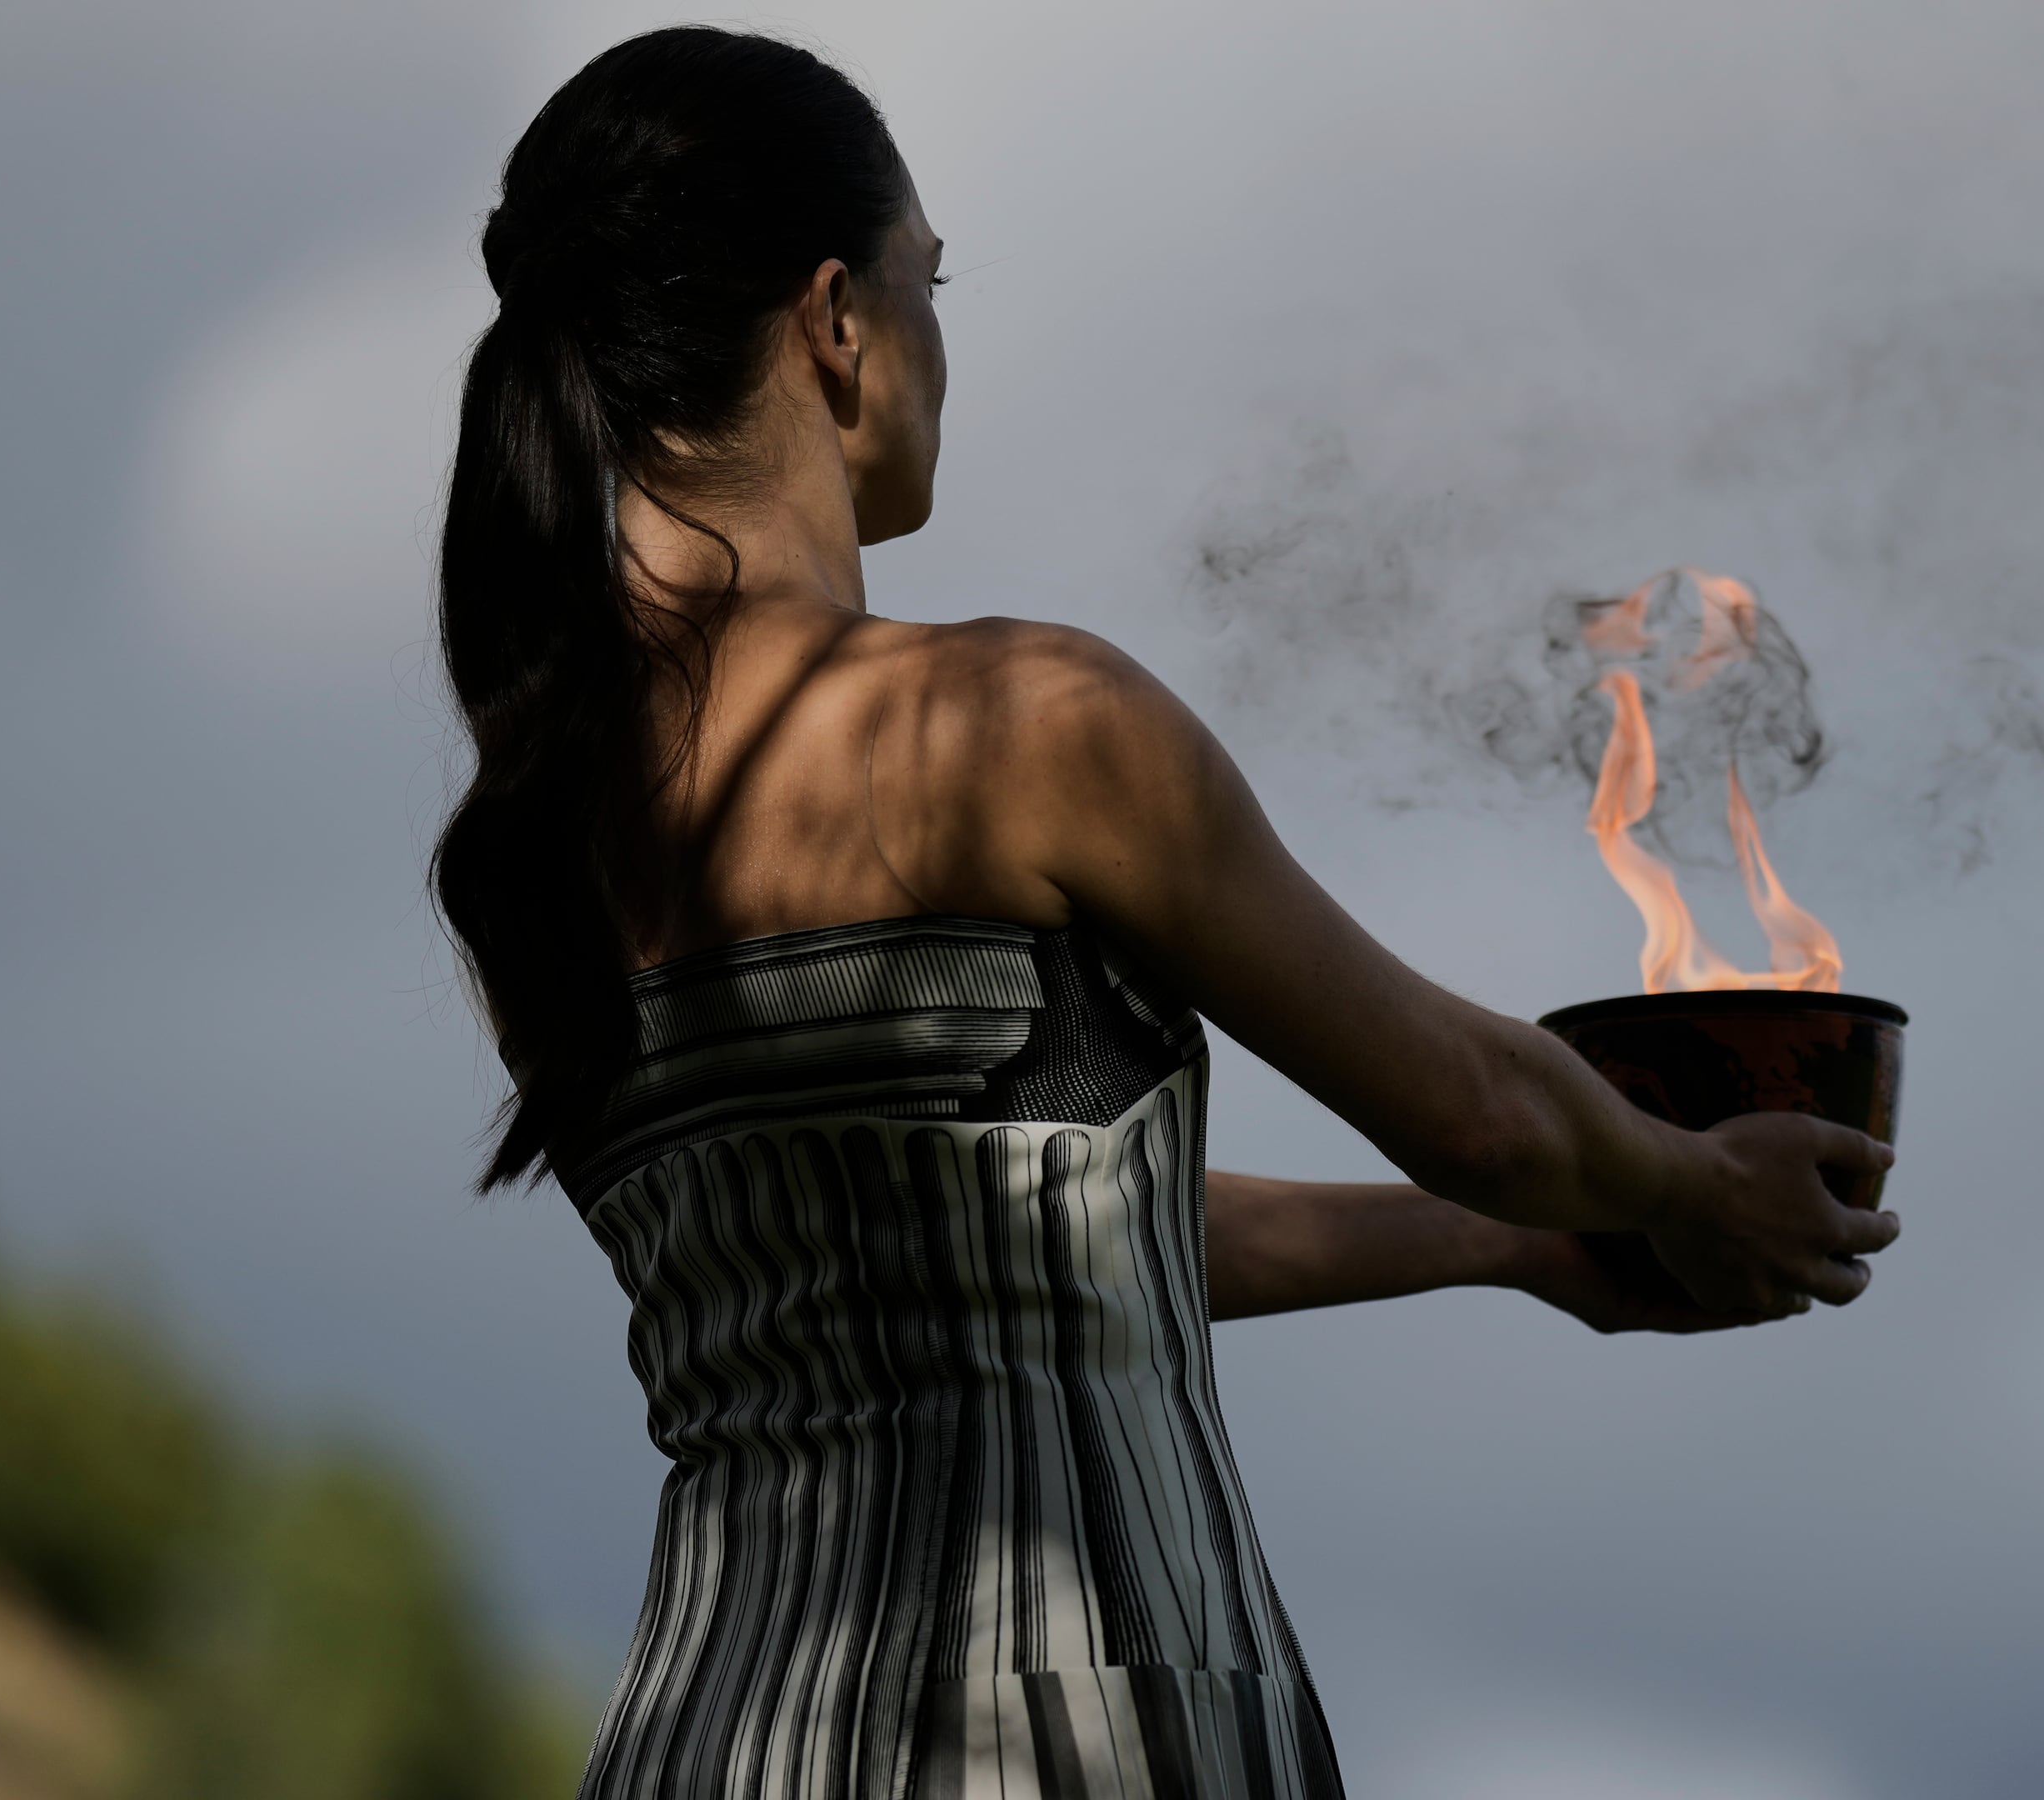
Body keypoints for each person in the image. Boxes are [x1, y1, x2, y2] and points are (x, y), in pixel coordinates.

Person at [432, 28, 1901, 1799]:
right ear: (835, 319)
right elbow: (1486, 1110)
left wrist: (1512, 1250)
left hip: (705, 1742)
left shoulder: (530, 838)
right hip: (1079, 1738)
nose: (941, 339)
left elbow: (1039, 1229)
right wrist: (1685, 1183)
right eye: (928, 284)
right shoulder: (1011, 726)